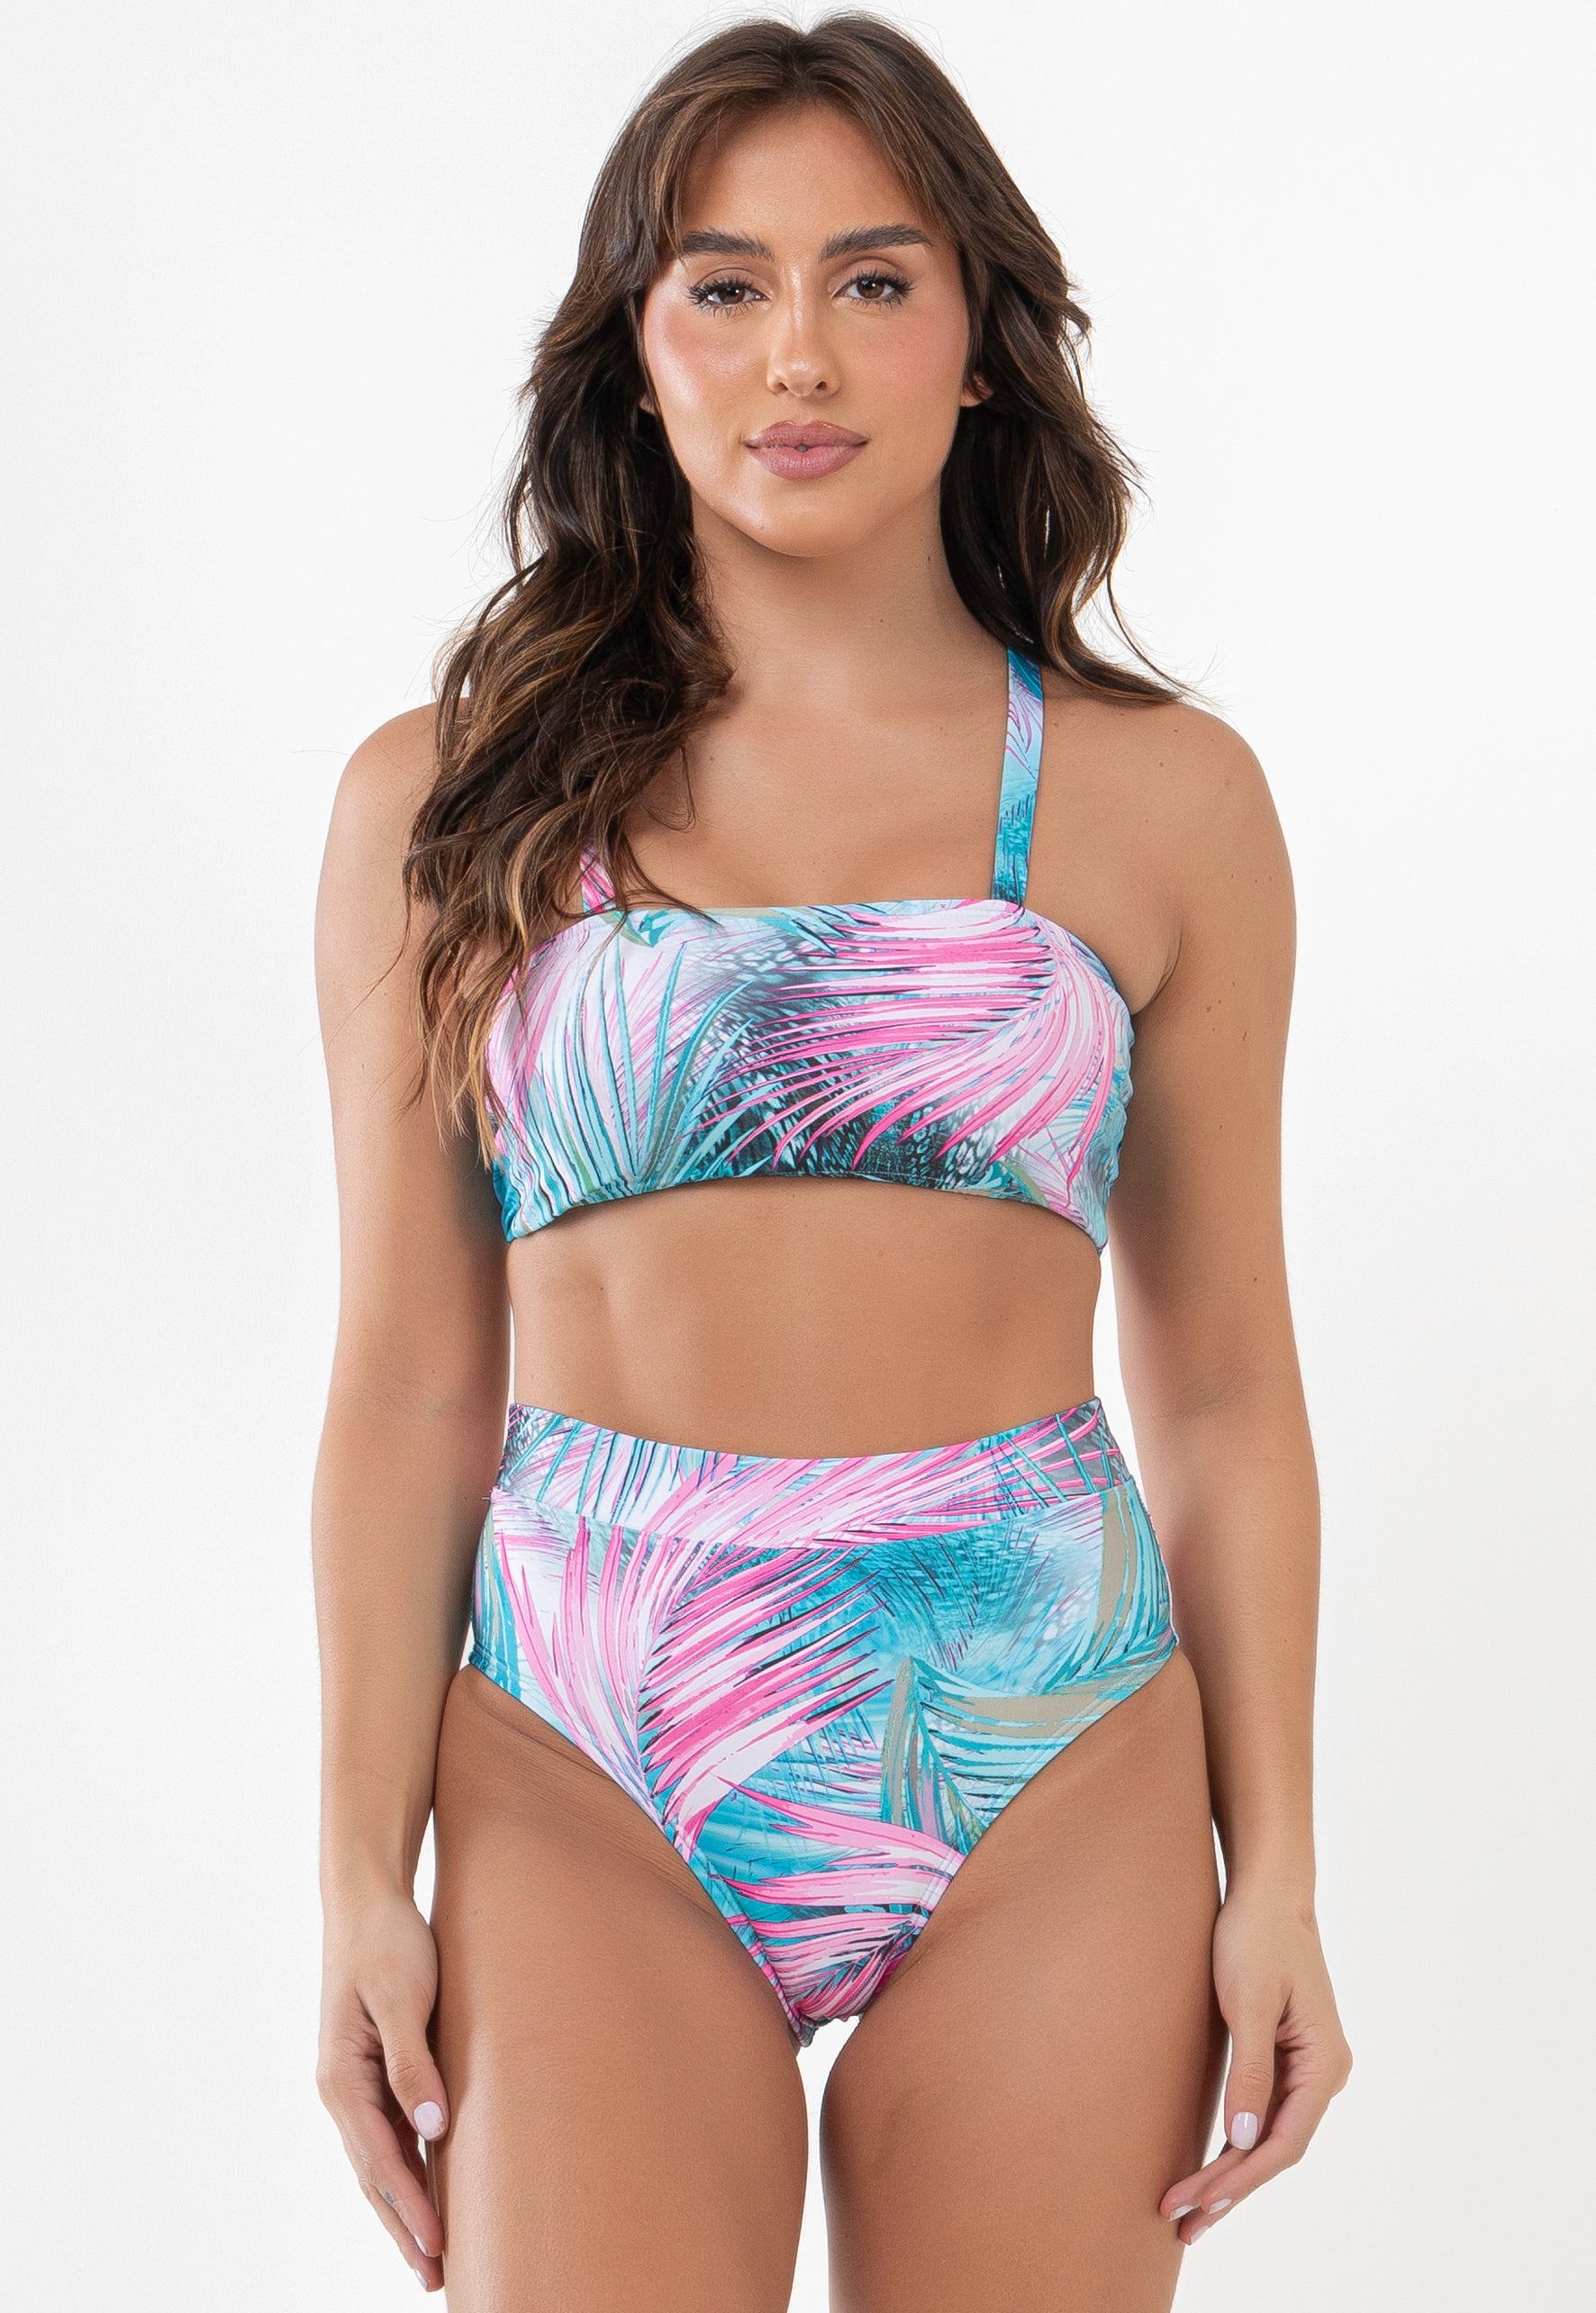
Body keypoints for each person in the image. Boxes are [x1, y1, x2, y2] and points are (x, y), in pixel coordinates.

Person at [311, 14, 1351, 2308]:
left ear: (980, 340)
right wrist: (357, 1876)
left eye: (873, 281)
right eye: (725, 284)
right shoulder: (444, 806)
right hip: (585, 1733)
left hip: (1046, 1722)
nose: (800, 353)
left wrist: (1274, 1864)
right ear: (637, 349)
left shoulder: (1161, 799)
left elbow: (1218, 1383)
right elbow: (404, 1381)